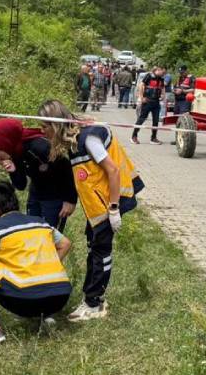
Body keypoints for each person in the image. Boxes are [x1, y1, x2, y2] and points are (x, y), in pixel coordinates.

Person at [39, 99, 143, 322]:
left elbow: (113, 171)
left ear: (55, 125)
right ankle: (90, 299)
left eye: (44, 127)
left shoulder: (88, 140)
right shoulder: (75, 140)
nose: (42, 131)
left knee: (100, 251)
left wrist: (114, 209)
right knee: (94, 246)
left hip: (110, 202)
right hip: (98, 206)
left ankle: (95, 303)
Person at [0, 181, 73, 344]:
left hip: (24, 301)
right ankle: (47, 317)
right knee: (42, 276)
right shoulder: (40, 222)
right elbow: (65, 243)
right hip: (59, 298)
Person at [0, 118, 77, 230]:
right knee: (32, 232)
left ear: (6, 143)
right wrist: (14, 171)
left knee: (49, 237)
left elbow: (68, 170)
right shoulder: (15, 150)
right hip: (36, 194)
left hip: (55, 198)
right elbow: (21, 185)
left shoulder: (40, 148)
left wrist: (70, 200)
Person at [132, 66, 166, 144]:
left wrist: (163, 96)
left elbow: (162, 87)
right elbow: (141, 86)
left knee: (156, 121)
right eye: (162, 71)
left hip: (156, 102)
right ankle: (134, 136)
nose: (163, 73)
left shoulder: (161, 78)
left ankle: (153, 138)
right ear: (157, 70)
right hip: (147, 101)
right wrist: (141, 97)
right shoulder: (149, 76)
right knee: (141, 119)